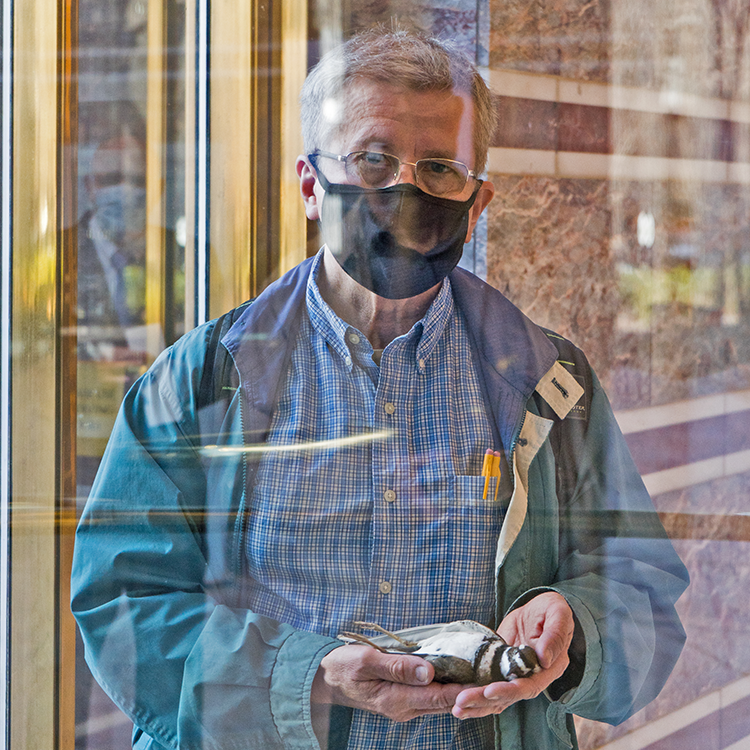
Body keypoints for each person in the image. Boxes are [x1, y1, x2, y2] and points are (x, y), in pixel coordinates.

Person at [71, 28, 689, 750]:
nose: (407, 189)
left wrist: (574, 625)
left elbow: (642, 595)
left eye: (439, 168)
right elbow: (123, 609)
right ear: (310, 186)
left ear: (478, 200)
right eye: (373, 159)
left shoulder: (552, 386)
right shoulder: (200, 382)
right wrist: (311, 678)